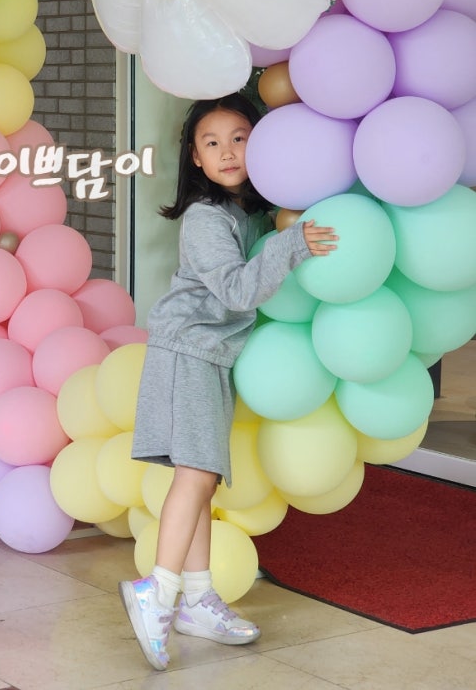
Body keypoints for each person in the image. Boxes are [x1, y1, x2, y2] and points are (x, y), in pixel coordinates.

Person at [119, 93, 338, 671]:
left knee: (203, 476)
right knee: (196, 473)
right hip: (188, 351)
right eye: (211, 143)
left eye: (239, 138)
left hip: (210, 354)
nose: (227, 152)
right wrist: (293, 243)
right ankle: (158, 590)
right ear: (195, 157)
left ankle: (196, 598)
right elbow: (238, 291)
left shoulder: (248, 214)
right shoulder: (206, 218)